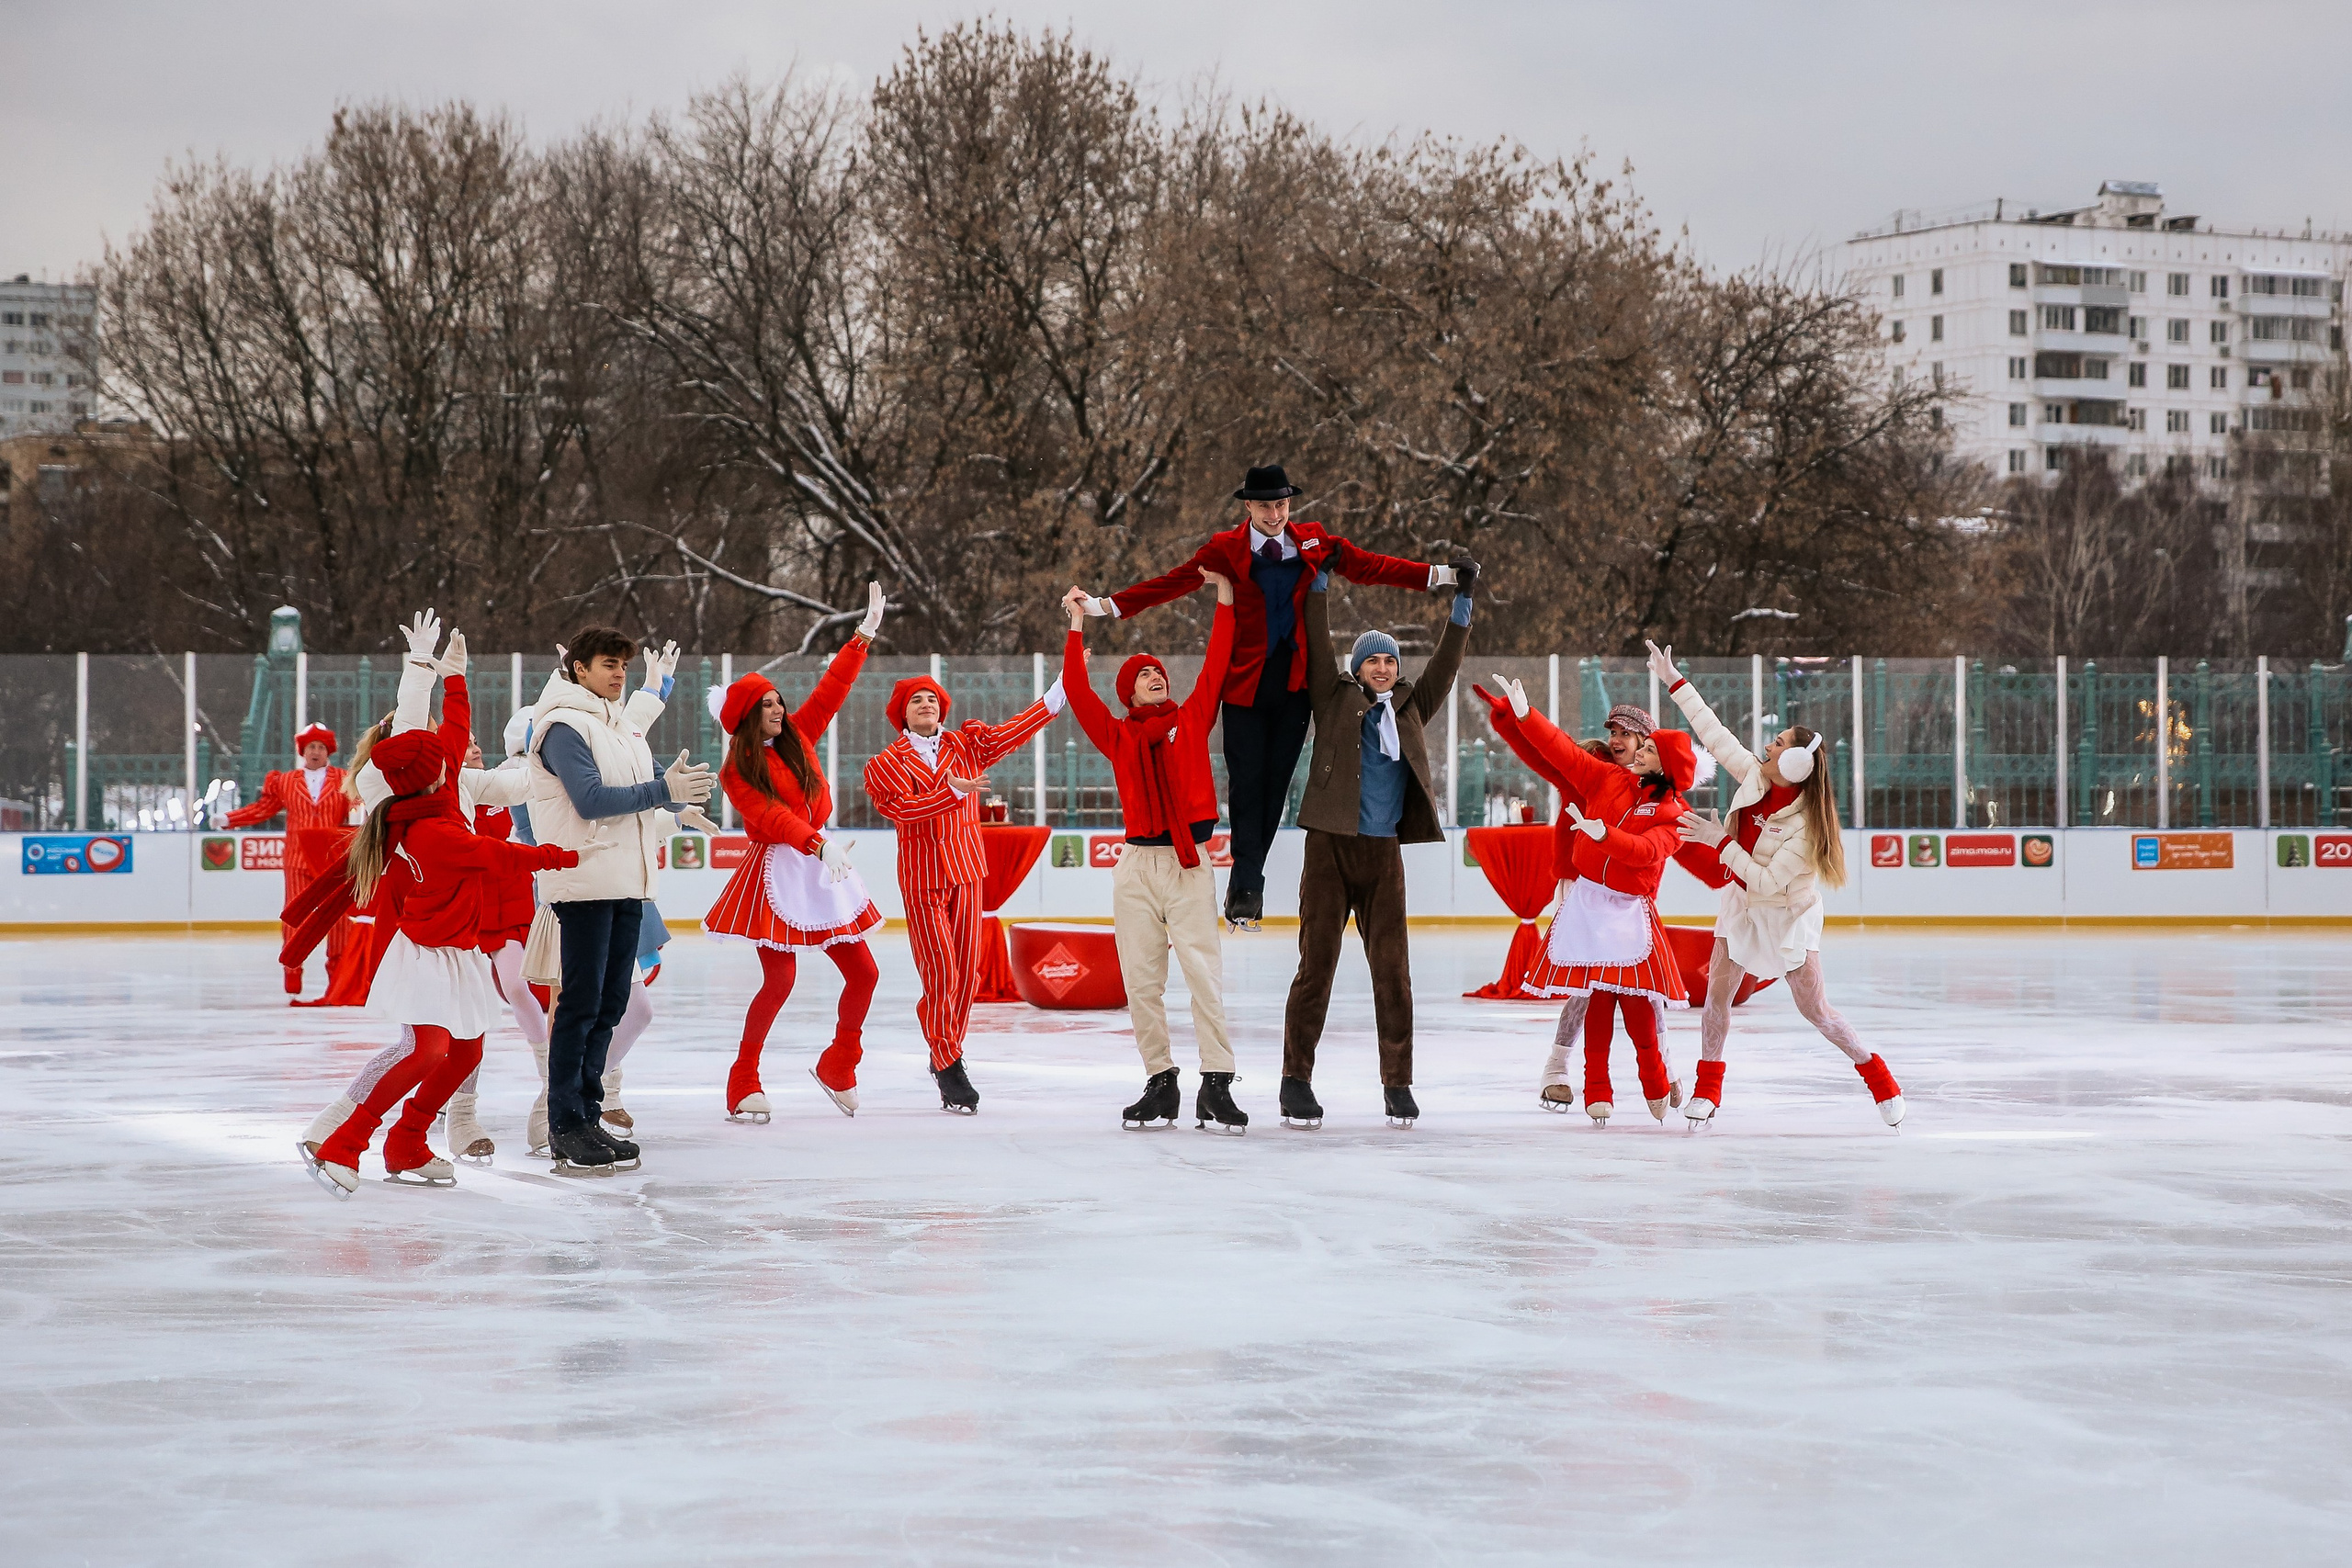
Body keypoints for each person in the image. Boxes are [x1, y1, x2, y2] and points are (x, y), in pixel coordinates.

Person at [1072, 463, 1471, 930]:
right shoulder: (1225, 549)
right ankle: (1246, 883)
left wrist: (1441, 575)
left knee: (1276, 788)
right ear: (1248, 506)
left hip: (1294, 687)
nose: (1276, 513)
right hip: (1244, 688)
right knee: (1246, 787)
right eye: (1266, 505)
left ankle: (1248, 881)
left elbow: (1370, 566)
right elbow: (1173, 582)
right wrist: (1106, 605)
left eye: (1282, 504)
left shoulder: (1313, 542)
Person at [297, 679, 578, 1196]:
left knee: (466, 1052)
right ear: (429, 769)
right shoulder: (427, 823)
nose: (455, 748)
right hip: (425, 950)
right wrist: (562, 856)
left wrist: (455, 683)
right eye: (441, 747)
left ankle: (407, 1139)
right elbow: (498, 855)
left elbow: (464, 745)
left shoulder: (440, 796)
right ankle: (343, 1141)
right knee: (425, 1048)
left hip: (459, 947)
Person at [1647, 640, 1904, 1128]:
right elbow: (1714, 734)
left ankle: (1879, 1079)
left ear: (1795, 766)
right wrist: (1673, 680)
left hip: (1788, 916)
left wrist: (1716, 841)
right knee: (1717, 998)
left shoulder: (1807, 827)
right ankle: (1708, 1091)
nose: (1768, 745)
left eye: (1779, 743)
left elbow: (1766, 880)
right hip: (1742, 906)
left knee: (1817, 1011)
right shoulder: (1755, 778)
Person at [1278, 560, 1472, 1130]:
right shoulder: (1331, 696)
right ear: (1356, 665)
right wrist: (1318, 580)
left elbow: (1448, 662)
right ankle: (1296, 1080)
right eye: (1374, 659)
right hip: (1329, 851)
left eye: (1390, 660)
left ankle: (1398, 1083)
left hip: (1383, 855)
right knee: (1317, 967)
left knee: (1393, 972)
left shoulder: (1411, 706)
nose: (1384, 668)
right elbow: (1315, 640)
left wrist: (1463, 600)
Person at [1475, 672, 1707, 1125]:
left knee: (1642, 990)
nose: (1622, 742)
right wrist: (1519, 715)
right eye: (1615, 733)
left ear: (1651, 745)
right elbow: (1550, 751)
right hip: (1582, 887)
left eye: (1632, 736)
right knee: (1589, 988)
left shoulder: (1667, 803)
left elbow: (1660, 848)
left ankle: (1662, 1070)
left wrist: (1734, 867)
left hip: (1632, 897)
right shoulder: (1598, 770)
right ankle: (1562, 1068)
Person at [523, 628, 715, 1174]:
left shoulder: (618, 727)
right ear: (578, 669)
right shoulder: (562, 725)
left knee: (609, 1005)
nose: (617, 674)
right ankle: (564, 1124)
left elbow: (637, 800)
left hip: (628, 882)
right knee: (580, 1007)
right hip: (583, 884)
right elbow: (590, 801)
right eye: (608, 664)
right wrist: (663, 792)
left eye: (623, 667)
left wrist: (667, 801)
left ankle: (587, 1113)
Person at [1060, 570, 1241, 1132]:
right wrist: (1074, 626)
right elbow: (1076, 691)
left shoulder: (1192, 716)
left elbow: (1217, 660)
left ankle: (1217, 1083)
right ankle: (1160, 1081)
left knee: (1203, 977)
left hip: (1189, 863)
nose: (1156, 678)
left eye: (1159, 672)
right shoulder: (1117, 735)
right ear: (1129, 693)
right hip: (1136, 866)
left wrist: (1226, 597)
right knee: (1141, 982)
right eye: (1144, 676)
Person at [705, 584, 888, 1122]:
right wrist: (816, 843)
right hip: (777, 876)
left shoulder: (800, 735)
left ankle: (839, 1063)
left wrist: (863, 635)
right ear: (745, 716)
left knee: (866, 974)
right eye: (766, 705)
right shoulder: (737, 770)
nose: (778, 708)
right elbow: (768, 819)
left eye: (778, 700)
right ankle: (743, 1080)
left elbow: (833, 689)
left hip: (824, 869)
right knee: (779, 981)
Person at [863, 665, 1064, 1113]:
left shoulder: (965, 745)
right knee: (941, 973)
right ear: (902, 713)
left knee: (967, 974)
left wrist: (1057, 693)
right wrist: (951, 792)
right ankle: (948, 1061)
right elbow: (906, 811)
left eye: (933, 698)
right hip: (924, 879)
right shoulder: (884, 764)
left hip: (968, 871)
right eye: (917, 699)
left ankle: (945, 1051)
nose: (927, 704)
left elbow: (1011, 734)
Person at [226, 719, 351, 997]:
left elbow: (357, 813)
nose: (315, 752)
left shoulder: (344, 780)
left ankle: (339, 976)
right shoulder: (285, 782)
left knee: (339, 921)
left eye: (320, 747)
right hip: (297, 859)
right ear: (302, 751)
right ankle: (293, 970)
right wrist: (229, 819)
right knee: (295, 917)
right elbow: (264, 808)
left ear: (328, 751)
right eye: (310, 747)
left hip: (333, 860)